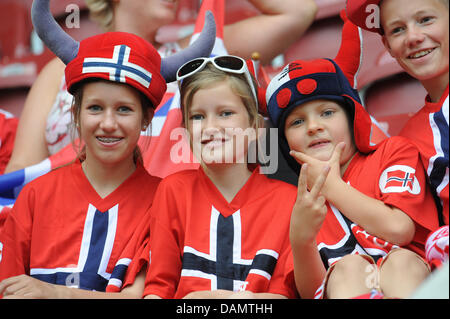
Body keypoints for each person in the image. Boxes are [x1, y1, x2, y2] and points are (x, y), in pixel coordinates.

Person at [0, 0, 215, 298]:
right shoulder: (34, 197)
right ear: (75, 112)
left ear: (147, 119)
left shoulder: (165, 202)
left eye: (124, 109)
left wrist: (53, 293)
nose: (108, 123)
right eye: (95, 108)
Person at [4, 0, 318, 174]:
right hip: (68, 227)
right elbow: (23, 169)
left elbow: (298, 12)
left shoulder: (197, 55)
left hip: (167, 227)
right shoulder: (58, 70)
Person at [265, 16, 440, 299]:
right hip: (344, 288)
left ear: (352, 118)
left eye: (327, 112)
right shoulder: (291, 200)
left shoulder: (392, 152)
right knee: (347, 268)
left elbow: (399, 229)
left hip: (412, 278)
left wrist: (331, 187)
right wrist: (301, 238)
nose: (313, 126)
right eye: (296, 122)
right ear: (285, 143)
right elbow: (311, 291)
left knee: (400, 261)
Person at [137, 55, 298, 299]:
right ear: (186, 131)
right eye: (197, 116)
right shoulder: (173, 191)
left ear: (255, 128)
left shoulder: (288, 200)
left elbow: (284, 294)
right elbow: (158, 288)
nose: (210, 127)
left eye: (225, 113)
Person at [346, 0, 449, 227]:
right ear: (388, 46)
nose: (413, 37)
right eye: (397, 30)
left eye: (425, 20)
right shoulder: (410, 139)